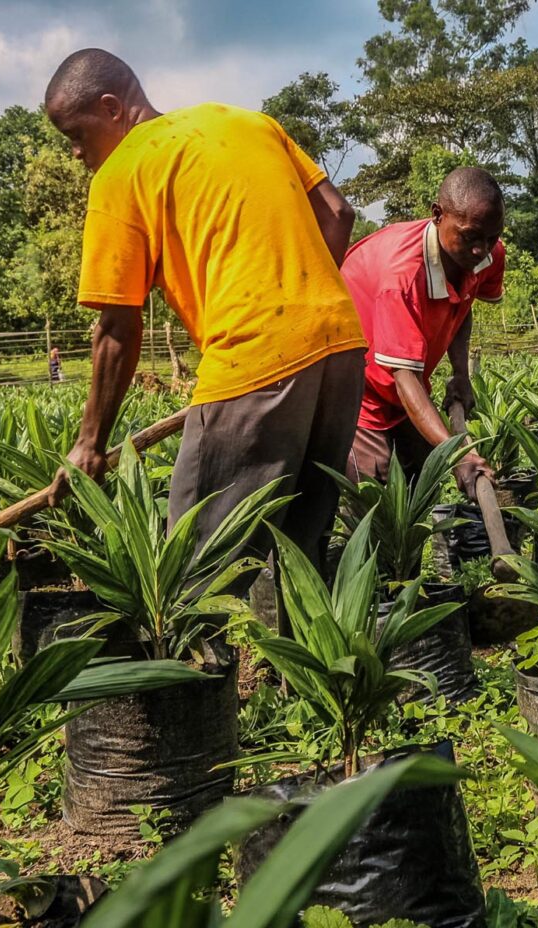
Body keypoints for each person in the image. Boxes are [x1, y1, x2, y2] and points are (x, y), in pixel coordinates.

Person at [42, 48, 366, 582]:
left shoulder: (121, 174)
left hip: (255, 360)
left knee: (193, 575)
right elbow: (338, 213)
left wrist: (90, 445)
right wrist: (302, 303)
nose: (76, 153)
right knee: (303, 559)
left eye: (76, 135)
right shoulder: (245, 121)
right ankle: (308, 666)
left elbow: (118, 329)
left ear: (111, 107)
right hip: (342, 344)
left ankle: (192, 667)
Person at [339, 166, 504, 498]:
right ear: (437, 215)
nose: (481, 250)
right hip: (358, 390)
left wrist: (460, 373)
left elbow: (462, 303)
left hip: (409, 384)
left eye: (491, 237)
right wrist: (459, 455)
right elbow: (404, 378)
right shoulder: (401, 277)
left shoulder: (486, 252)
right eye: (471, 236)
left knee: (420, 484)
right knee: (378, 500)